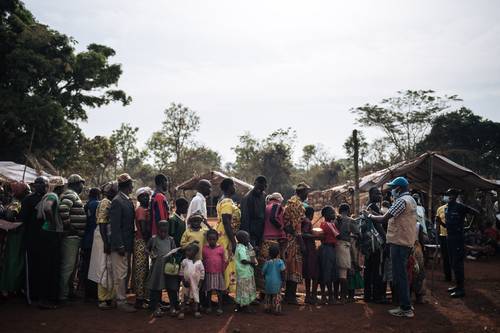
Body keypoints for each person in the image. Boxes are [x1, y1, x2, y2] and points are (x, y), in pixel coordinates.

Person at [365, 176, 417, 318]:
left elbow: (383, 219)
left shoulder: (401, 201)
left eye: (394, 187)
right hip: (406, 241)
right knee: (402, 275)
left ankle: (405, 308)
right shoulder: (411, 200)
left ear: (399, 188)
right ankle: (405, 304)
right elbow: (391, 215)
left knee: (399, 275)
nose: (392, 190)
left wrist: (369, 216)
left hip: (398, 243)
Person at [109, 173, 137, 312]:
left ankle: (120, 298)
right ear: (127, 185)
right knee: (120, 274)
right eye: (131, 184)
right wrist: (119, 244)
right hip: (120, 245)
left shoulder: (126, 200)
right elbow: (115, 226)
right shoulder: (117, 201)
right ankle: (120, 301)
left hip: (127, 243)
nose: (133, 186)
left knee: (125, 272)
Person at [444, 188, 479, 298]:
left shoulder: (460, 206)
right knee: (452, 262)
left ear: (455, 196)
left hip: (458, 238)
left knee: (457, 263)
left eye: (450, 195)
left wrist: (469, 226)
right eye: (447, 195)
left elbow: (476, 213)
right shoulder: (448, 207)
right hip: (449, 237)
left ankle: (461, 289)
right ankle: (457, 286)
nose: (448, 197)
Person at [37, 176, 66, 309]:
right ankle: (48, 299)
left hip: (46, 233)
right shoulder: (53, 196)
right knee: (51, 266)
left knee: (47, 265)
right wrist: (53, 225)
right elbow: (48, 208)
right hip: (50, 234)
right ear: (60, 187)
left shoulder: (48, 194)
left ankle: (46, 298)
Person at [88, 181, 117, 310]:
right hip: (103, 238)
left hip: (106, 237)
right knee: (103, 266)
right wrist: (106, 243)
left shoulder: (109, 202)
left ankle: (108, 297)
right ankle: (103, 298)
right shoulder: (105, 202)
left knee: (108, 267)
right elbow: (102, 223)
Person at [58, 174, 87, 302]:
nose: (83, 186)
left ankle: (69, 291)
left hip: (74, 237)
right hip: (70, 237)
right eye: (81, 183)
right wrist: (69, 226)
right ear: (76, 183)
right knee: (68, 266)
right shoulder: (70, 194)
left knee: (72, 266)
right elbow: (63, 209)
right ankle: (62, 295)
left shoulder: (72, 194)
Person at [20, 176, 48, 303]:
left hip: (45, 238)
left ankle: (39, 293)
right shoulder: (28, 199)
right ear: (35, 185)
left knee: (42, 267)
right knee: (30, 267)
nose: (42, 186)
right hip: (31, 239)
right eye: (39, 184)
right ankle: (30, 294)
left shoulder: (49, 198)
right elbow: (23, 219)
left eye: (44, 184)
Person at [0, 182, 30, 295]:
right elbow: (9, 215)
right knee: (13, 261)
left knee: (16, 261)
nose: (29, 193)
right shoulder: (17, 203)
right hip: (15, 235)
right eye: (26, 191)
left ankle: (13, 287)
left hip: (17, 234)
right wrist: (17, 220)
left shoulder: (18, 202)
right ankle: (8, 287)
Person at [283, 182, 309, 304]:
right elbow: (297, 228)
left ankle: (289, 295)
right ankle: (290, 296)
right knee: (294, 267)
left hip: (287, 239)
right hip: (294, 241)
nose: (307, 194)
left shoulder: (290, 202)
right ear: (302, 192)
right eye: (306, 192)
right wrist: (302, 244)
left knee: (289, 267)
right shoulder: (298, 206)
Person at [146, 220, 177, 317]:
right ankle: (156, 307)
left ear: (168, 229)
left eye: (165, 229)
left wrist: (174, 254)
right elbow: (147, 249)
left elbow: (174, 250)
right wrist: (151, 254)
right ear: (158, 229)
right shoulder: (153, 239)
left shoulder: (171, 239)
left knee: (171, 288)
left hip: (168, 267)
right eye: (161, 229)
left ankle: (173, 307)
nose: (163, 231)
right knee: (156, 287)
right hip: (157, 268)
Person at [216, 178, 241, 294]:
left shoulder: (226, 200)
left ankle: (224, 292)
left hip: (225, 235)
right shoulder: (226, 202)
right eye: (234, 185)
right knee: (226, 263)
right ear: (229, 187)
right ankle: (224, 292)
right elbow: (226, 221)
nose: (235, 187)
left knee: (227, 263)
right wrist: (233, 240)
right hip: (226, 236)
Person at [364, 186, 386, 303]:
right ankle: (377, 296)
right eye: (377, 194)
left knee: (369, 269)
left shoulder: (367, 206)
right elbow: (378, 225)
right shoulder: (372, 207)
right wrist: (386, 239)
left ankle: (368, 295)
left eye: (380, 193)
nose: (379, 195)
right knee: (376, 269)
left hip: (368, 243)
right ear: (371, 195)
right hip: (375, 243)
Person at [335, 203, 358, 304]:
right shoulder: (350, 220)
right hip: (344, 246)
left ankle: (336, 296)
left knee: (337, 273)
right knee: (343, 274)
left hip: (334, 246)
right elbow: (358, 233)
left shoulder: (335, 220)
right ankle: (344, 297)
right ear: (348, 211)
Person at [133, 187, 153, 309]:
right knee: (141, 270)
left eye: (147, 196)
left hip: (145, 242)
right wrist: (149, 243)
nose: (146, 198)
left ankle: (145, 296)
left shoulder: (147, 209)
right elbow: (144, 230)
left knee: (145, 270)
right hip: (142, 241)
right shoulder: (140, 210)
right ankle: (140, 298)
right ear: (139, 198)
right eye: (143, 196)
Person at [80, 187, 100, 301]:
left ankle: (86, 292)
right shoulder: (98, 204)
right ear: (98, 195)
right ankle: (93, 293)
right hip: (95, 240)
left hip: (86, 239)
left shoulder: (87, 205)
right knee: (94, 267)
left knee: (86, 266)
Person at [203, 229, 227, 315]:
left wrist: (223, 272)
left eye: (213, 239)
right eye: (210, 239)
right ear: (207, 239)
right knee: (208, 291)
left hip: (218, 273)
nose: (212, 241)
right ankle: (209, 307)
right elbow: (203, 260)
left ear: (217, 239)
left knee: (219, 291)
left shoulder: (220, 248)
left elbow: (224, 261)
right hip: (208, 273)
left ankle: (220, 307)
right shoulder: (205, 249)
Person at [178, 243, 205, 320]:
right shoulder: (184, 261)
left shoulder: (199, 262)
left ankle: (195, 310)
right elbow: (181, 271)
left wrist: (200, 282)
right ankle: (182, 311)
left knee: (195, 297)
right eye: (186, 250)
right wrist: (183, 280)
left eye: (189, 250)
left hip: (195, 284)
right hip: (186, 283)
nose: (187, 252)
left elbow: (202, 272)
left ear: (195, 252)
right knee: (184, 296)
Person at [318, 206, 339, 305]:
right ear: (325, 215)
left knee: (327, 272)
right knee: (328, 273)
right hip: (328, 249)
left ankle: (325, 297)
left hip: (328, 248)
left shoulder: (327, 224)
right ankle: (330, 298)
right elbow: (338, 235)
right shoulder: (328, 224)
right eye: (331, 213)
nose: (334, 214)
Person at [240, 176, 267, 247]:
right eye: (258, 188)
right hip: (251, 232)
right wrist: (247, 237)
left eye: (261, 189)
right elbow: (245, 218)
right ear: (254, 184)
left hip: (261, 230)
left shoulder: (264, 195)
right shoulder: (247, 197)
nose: (259, 191)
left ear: (265, 187)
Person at [234, 230, 257, 313]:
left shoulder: (242, 246)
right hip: (244, 273)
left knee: (241, 290)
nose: (249, 240)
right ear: (242, 239)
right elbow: (243, 260)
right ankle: (245, 306)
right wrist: (252, 263)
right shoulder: (241, 248)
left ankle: (239, 304)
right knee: (245, 290)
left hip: (243, 273)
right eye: (247, 238)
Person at [301, 206, 318, 304]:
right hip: (310, 250)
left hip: (307, 250)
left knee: (307, 274)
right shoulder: (307, 221)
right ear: (311, 214)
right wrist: (314, 236)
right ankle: (313, 296)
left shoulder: (304, 220)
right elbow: (303, 233)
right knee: (314, 274)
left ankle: (308, 296)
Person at [262, 244, 286, 315]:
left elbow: (263, 272)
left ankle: (267, 308)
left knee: (268, 296)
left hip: (268, 282)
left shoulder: (267, 262)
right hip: (277, 282)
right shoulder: (280, 262)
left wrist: (265, 279)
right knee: (277, 296)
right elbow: (283, 271)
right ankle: (276, 309)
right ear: (278, 253)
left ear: (269, 253)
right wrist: (283, 280)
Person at [435, 196, 451, 281]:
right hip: (443, 236)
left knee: (453, 257)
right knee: (445, 257)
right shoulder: (440, 209)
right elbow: (437, 222)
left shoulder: (457, 208)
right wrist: (437, 234)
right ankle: (447, 276)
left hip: (453, 236)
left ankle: (457, 277)